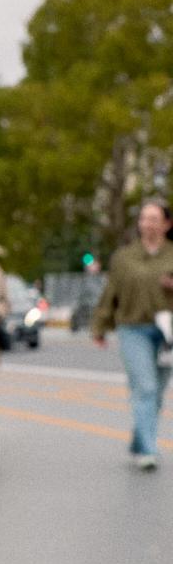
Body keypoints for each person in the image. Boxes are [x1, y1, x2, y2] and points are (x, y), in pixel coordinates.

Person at [92, 196, 173, 468]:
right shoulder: (124, 258)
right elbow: (110, 293)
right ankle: (148, 451)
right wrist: (100, 326)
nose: (148, 224)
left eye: (154, 219)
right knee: (145, 387)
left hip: (167, 333)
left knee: (157, 392)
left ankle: (139, 440)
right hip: (133, 329)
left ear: (166, 224)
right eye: (144, 218)